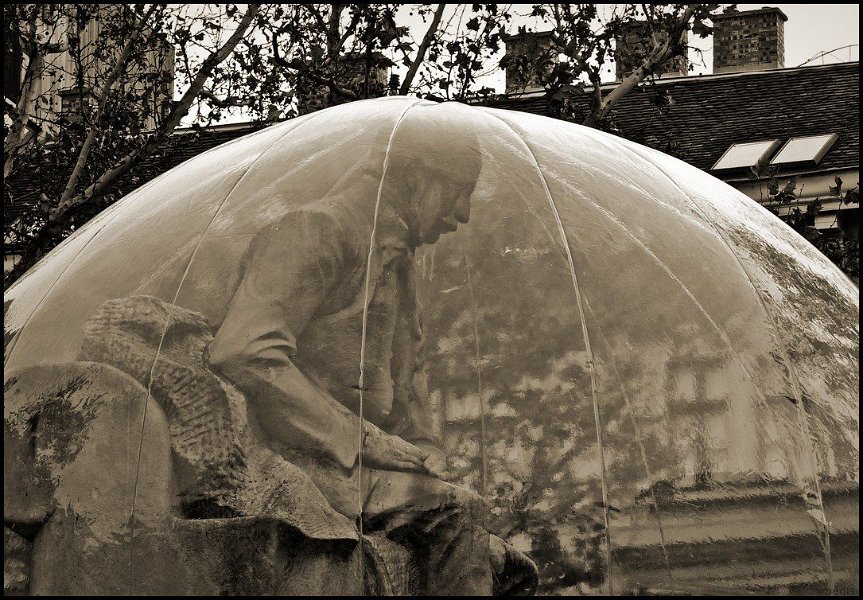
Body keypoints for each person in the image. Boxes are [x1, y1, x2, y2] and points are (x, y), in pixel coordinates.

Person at [207, 117, 536, 595]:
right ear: (413, 177)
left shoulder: (401, 264)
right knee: (457, 513)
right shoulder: (318, 230)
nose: (463, 213)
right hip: (299, 456)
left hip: (363, 471)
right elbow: (244, 351)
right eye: (457, 190)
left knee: (512, 567)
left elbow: (407, 386)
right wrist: (359, 438)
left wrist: (425, 449)